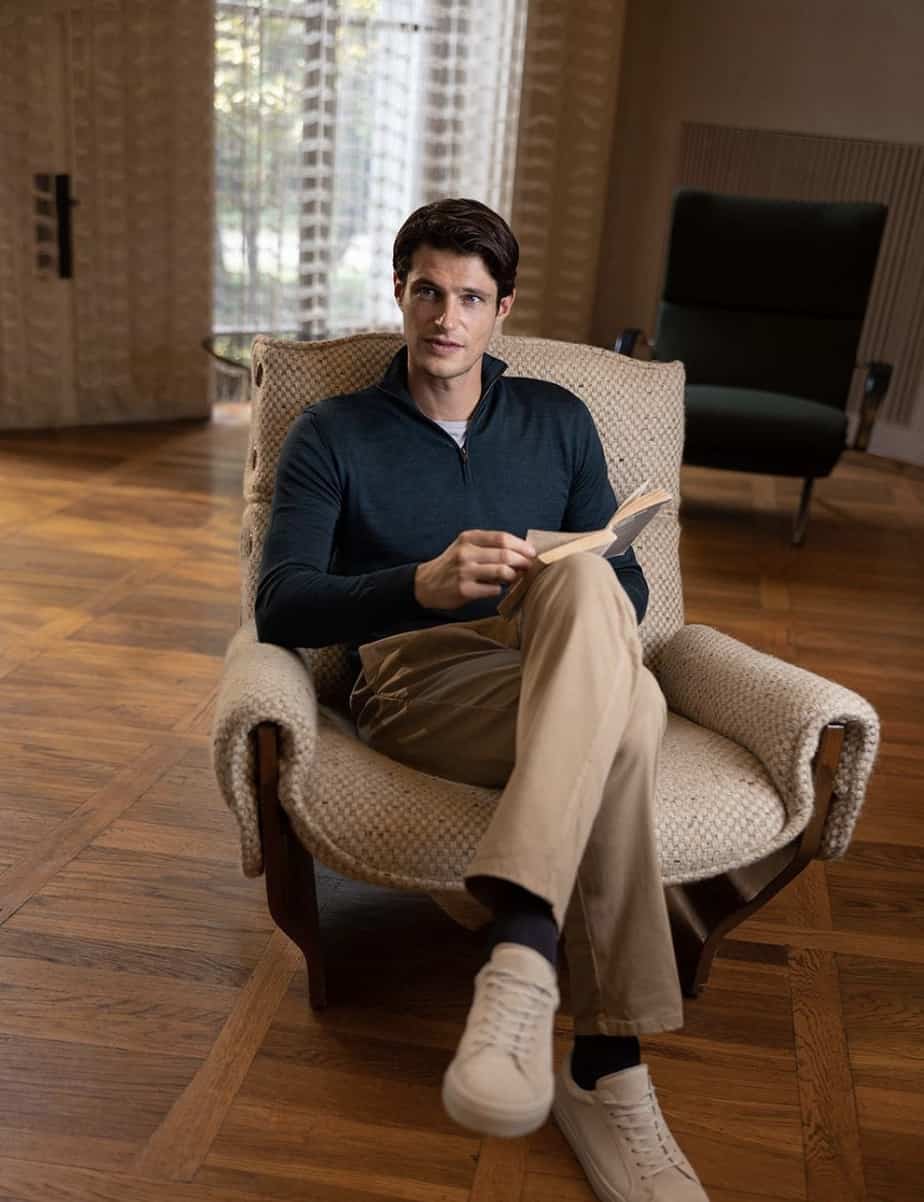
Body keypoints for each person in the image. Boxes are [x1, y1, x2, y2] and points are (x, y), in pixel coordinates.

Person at [257, 198, 709, 1202]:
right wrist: (414, 583)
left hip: (554, 656)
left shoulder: (557, 418)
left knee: (594, 598)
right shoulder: (334, 432)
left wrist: (563, 561)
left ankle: (522, 955)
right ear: (401, 293)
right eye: (427, 290)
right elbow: (280, 602)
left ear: (502, 308)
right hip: (422, 680)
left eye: (470, 296)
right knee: (627, 718)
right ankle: (607, 1067)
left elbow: (630, 591)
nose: (445, 315)